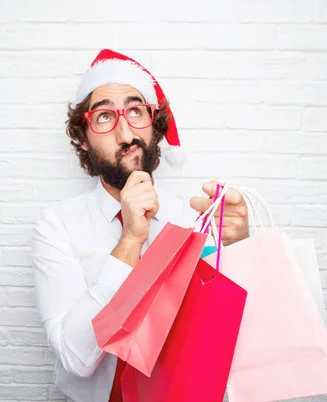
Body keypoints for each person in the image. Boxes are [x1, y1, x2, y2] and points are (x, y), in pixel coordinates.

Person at [32, 49, 250, 402]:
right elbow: (75, 359)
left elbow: (231, 337)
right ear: (84, 138)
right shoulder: (57, 226)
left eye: (136, 111)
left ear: (155, 127)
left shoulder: (194, 219)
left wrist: (241, 250)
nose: (125, 133)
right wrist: (131, 240)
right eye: (104, 117)